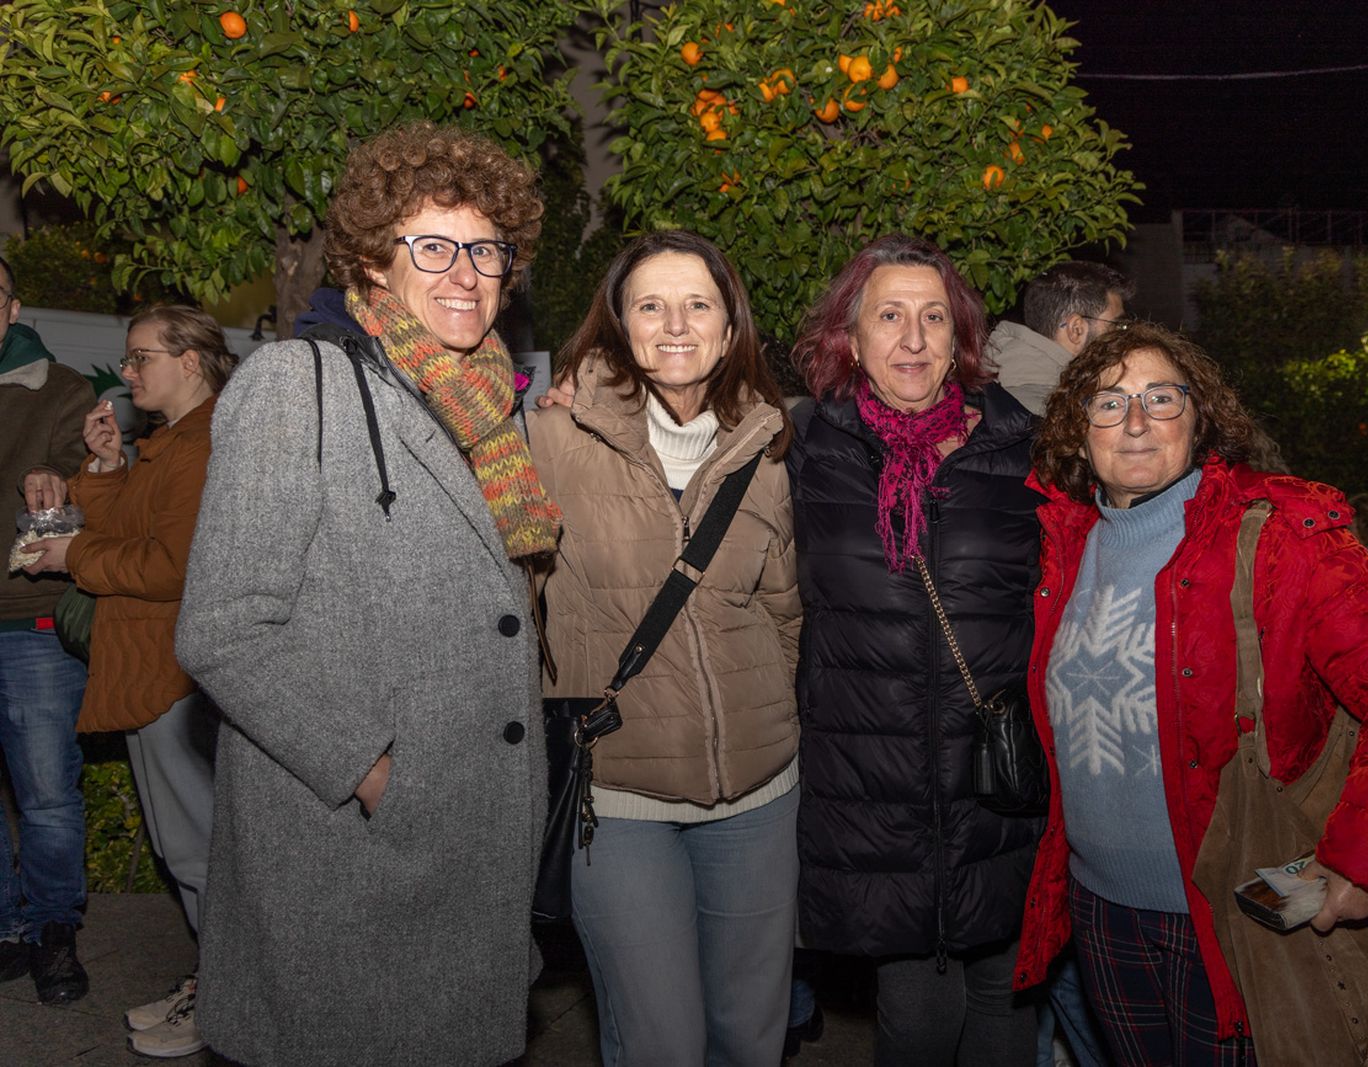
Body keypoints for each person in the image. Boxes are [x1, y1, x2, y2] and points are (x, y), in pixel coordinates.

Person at [175, 122, 556, 1067]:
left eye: (486, 250)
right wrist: (374, 771)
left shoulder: (488, 409)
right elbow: (224, 627)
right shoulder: (293, 385)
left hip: (471, 834)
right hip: (349, 849)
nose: (465, 273)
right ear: (374, 261)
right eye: (432, 247)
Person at [1016, 323, 1368, 1063]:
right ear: (1079, 430)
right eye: (1109, 402)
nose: (1136, 422)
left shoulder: (1282, 535)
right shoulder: (1065, 545)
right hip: (1102, 914)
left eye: (1161, 398)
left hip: (1237, 912)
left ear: (1200, 419)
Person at [525, 229, 800, 1066]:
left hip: (759, 798)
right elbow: (514, 612)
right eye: (651, 304)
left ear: (730, 326)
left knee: (750, 1037)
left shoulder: (765, 449)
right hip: (618, 800)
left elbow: (783, 613)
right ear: (620, 324)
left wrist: (762, 718)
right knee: (661, 1043)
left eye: (698, 304)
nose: (676, 325)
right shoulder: (551, 441)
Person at [789, 233, 1043, 1065]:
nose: (913, 338)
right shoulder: (805, 447)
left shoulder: (1023, 447)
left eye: (934, 317)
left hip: (1000, 782)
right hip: (875, 789)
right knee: (917, 1015)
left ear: (960, 336)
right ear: (850, 337)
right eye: (889, 316)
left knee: (1007, 1000)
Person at [24, 306, 232, 1057]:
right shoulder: (169, 439)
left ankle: (227, 1001)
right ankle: (218, 985)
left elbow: (171, 567)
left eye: (143, 356)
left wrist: (72, 556)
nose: (128, 371)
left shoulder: (202, 443)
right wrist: (109, 467)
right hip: (148, 667)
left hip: (172, 672)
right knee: (186, 847)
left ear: (191, 361)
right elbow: (127, 530)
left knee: (199, 850)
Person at [0, 252, 95, 1005]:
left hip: (27, 619)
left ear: (12, 308)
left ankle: (54, 929)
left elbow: (91, 483)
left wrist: (61, 481)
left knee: (47, 793)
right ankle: (6, 928)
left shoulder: (60, 388)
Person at [987, 261, 1133, 416]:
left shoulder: (1012, 382)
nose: (1123, 336)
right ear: (1076, 330)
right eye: (1116, 325)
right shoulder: (1046, 412)